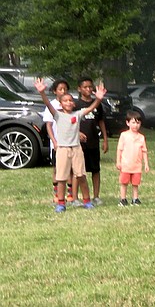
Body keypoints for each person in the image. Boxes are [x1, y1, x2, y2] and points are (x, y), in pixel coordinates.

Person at [35, 78, 107, 213]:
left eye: (70, 100)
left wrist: (98, 99)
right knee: (61, 178)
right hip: (62, 149)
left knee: (81, 176)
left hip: (76, 148)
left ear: (73, 104)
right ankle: (61, 203)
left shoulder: (77, 114)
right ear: (61, 104)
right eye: (65, 101)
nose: (68, 102)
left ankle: (87, 201)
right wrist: (42, 93)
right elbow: (47, 104)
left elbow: (91, 108)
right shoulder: (57, 115)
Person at [76, 77, 109, 204]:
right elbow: (71, 122)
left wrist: (105, 139)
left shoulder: (98, 105)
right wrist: (77, 133)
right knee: (79, 171)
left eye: (90, 87)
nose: (89, 89)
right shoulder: (76, 105)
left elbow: (101, 121)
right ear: (79, 89)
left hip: (94, 141)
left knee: (95, 169)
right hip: (79, 144)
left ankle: (96, 196)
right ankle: (76, 197)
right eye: (85, 87)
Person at [43, 79, 74, 204]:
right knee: (57, 168)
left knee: (70, 169)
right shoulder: (52, 105)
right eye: (60, 89)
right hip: (58, 143)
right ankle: (57, 193)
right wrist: (54, 142)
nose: (63, 91)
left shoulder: (70, 104)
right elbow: (49, 126)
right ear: (55, 91)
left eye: (65, 89)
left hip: (70, 142)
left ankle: (70, 193)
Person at [116, 110, 150, 206]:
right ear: (128, 123)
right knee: (124, 182)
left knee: (135, 183)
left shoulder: (141, 137)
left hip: (137, 165)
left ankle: (135, 199)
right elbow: (120, 149)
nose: (135, 125)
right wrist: (118, 161)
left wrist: (146, 164)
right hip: (125, 165)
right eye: (133, 123)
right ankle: (123, 199)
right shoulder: (124, 135)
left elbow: (144, 151)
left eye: (138, 123)